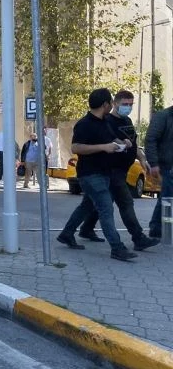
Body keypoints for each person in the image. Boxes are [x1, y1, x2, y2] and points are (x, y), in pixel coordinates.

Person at [57, 88, 136, 261]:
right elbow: (76, 147)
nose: (111, 107)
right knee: (106, 209)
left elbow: (110, 138)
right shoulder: (85, 124)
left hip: (104, 173)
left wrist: (122, 143)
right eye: (110, 103)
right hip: (90, 175)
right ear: (105, 104)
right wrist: (103, 147)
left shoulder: (104, 122)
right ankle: (117, 247)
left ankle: (66, 233)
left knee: (86, 206)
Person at [77, 90, 159, 251]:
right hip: (110, 170)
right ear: (114, 104)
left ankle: (84, 229)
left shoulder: (127, 121)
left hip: (121, 170)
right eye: (125, 104)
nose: (128, 107)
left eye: (130, 104)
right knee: (125, 203)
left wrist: (142, 159)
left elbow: (134, 144)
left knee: (93, 204)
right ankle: (137, 238)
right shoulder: (106, 120)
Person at [145, 101, 173, 239]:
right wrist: (153, 163)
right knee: (168, 197)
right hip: (167, 165)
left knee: (166, 197)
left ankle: (157, 229)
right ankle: (157, 229)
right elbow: (150, 139)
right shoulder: (163, 116)